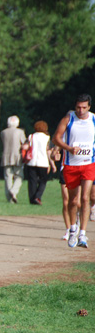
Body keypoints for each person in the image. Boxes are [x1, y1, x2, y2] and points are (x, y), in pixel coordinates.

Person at [52, 93, 94, 248]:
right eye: (78, 107)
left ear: (89, 107)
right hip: (71, 165)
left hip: (89, 163)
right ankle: (72, 230)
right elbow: (56, 138)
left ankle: (83, 234)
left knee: (85, 198)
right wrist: (69, 148)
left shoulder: (93, 119)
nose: (81, 110)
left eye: (84, 107)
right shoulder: (68, 119)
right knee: (73, 200)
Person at [23, 121, 54, 205]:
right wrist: (52, 164)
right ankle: (38, 196)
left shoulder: (31, 136)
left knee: (32, 181)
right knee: (43, 181)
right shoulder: (47, 138)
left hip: (31, 162)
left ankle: (32, 199)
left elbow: (25, 147)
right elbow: (49, 152)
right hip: (43, 162)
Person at [0, 115, 25, 203]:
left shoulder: (3, 132)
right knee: (19, 176)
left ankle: (9, 198)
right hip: (17, 156)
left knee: (8, 177)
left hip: (6, 156)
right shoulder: (20, 132)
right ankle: (13, 191)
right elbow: (24, 144)